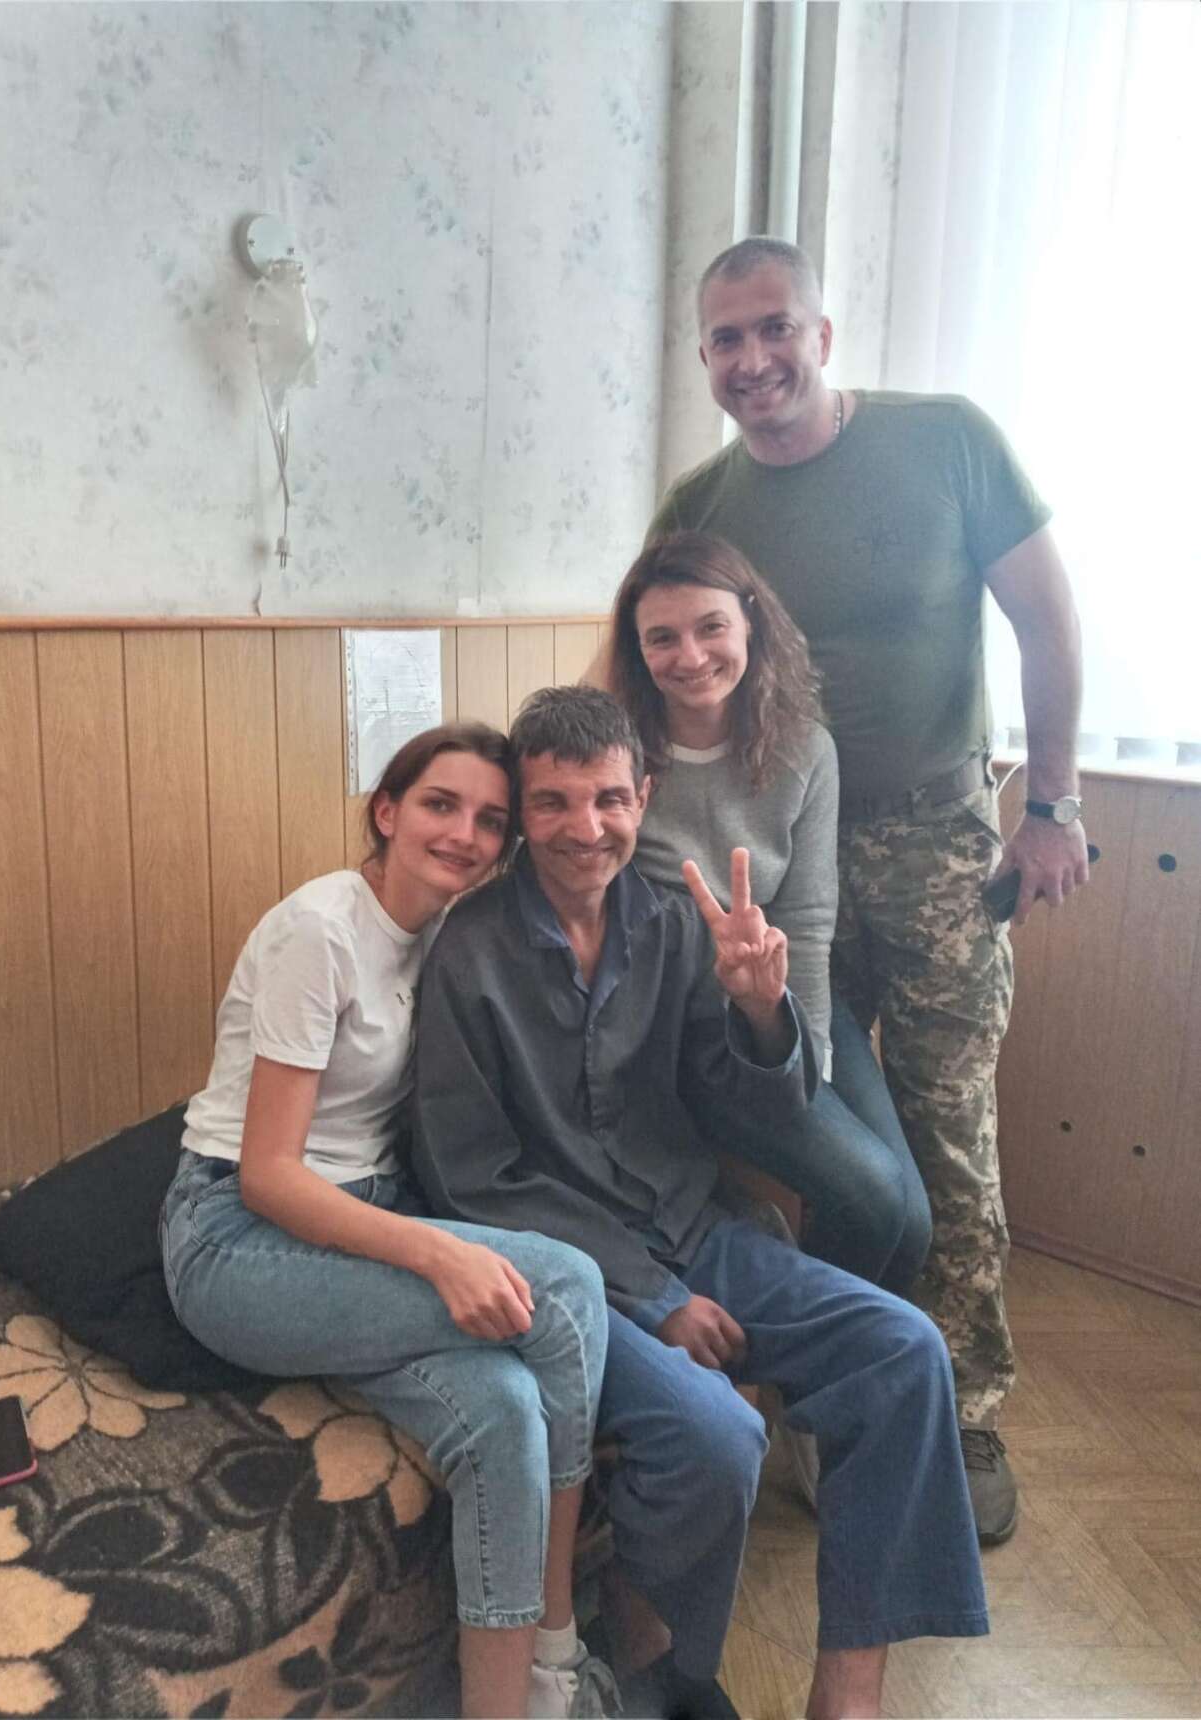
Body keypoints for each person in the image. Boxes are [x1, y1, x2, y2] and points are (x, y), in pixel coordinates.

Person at [412, 687, 987, 1720]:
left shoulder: (674, 922)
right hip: (572, 1277)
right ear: (522, 813)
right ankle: (662, 1669)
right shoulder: (469, 951)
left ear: (645, 796)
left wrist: (763, 1012)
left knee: (906, 1353)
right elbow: (470, 1177)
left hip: (695, 1231)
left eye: (608, 799)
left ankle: (848, 1691)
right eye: (553, 802)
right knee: (716, 1438)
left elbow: (742, 1105)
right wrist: (652, 1295)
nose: (585, 828)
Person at [645, 234, 1089, 1543]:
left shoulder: (946, 440)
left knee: (947, 1130)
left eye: (774, 327)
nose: (753, 359)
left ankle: (959, 1404)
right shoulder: (701, 500)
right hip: (783, 854)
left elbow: (1047, 617)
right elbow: (662, 663)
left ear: (821, 334)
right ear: (705, 358)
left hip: (940, 839)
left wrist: (1054, 804)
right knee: (831, 1138)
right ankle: (836, 1379)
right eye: (726, 339)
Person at [159, 723, 618, 1720]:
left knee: (505, 1409)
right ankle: (557, 1634)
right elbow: (269, 1176)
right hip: (238, 1240)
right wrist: (438, 1253)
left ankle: (514, 1703)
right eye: (440, 805)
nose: (464, 835)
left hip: (353, 1223)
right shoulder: (319, 931)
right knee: (568, 1289)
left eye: (489, 820)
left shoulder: (441, 936)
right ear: (387, 812)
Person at [607, 528, 930, 1297]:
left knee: (909, 1221)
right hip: (686, 1028)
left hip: (784, 1000)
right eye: (662, 638)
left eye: (711, 626)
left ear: (751, 622)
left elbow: (809, 921)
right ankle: (797, 1341)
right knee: (872, 1201)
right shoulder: (617, 749)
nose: (690, 656)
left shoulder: (806, 749)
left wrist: (801, 1062)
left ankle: (822, 1356)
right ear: (638, 651)